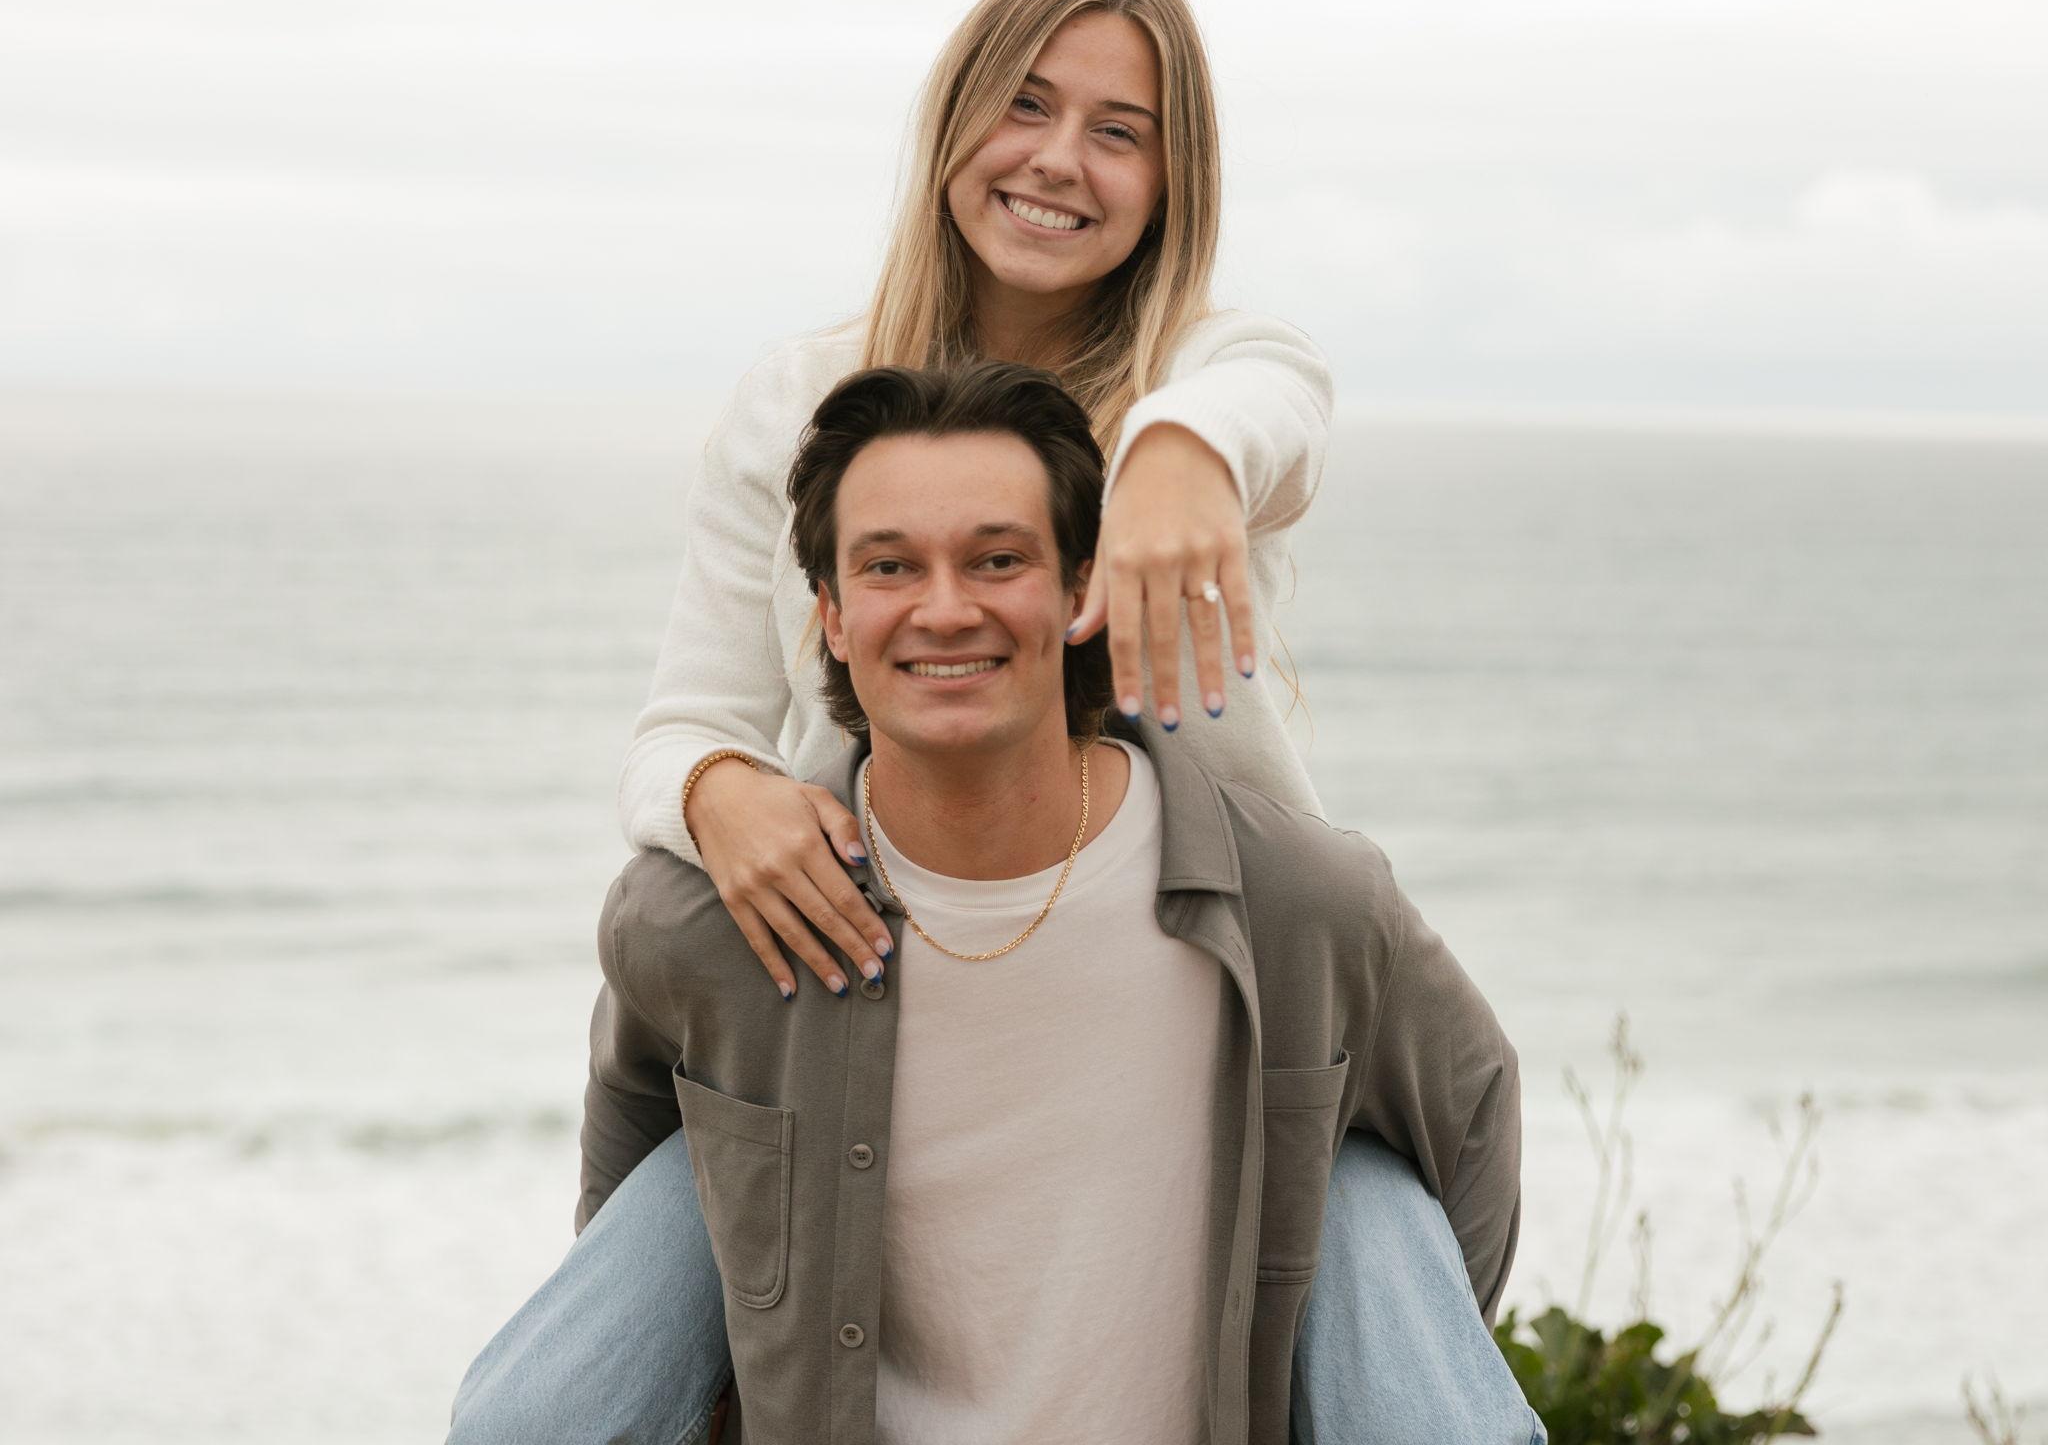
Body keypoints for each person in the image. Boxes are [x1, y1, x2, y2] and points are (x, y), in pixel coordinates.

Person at [447, 0, 1544, 1442]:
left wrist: (1178, 454)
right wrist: (722, 792)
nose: (1059, 160)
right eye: (1026, 106)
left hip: (1203, 984)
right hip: (859, 980)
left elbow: (1269, 403)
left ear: (1171, 180)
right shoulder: (798, 399)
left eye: (1119, 130)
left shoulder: (1209, 380)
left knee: (1372, 1239)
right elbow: (682, 729)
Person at [588, 361, 1530, 1442]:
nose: (946, 609)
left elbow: (1467, 1139)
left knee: (1370, 1190)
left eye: (998, 559)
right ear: (831, 618)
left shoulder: (1299, 904)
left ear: (1082, 589)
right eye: (890, 566)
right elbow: (631, 1225)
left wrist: (1357, 1381)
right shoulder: (705, 921)